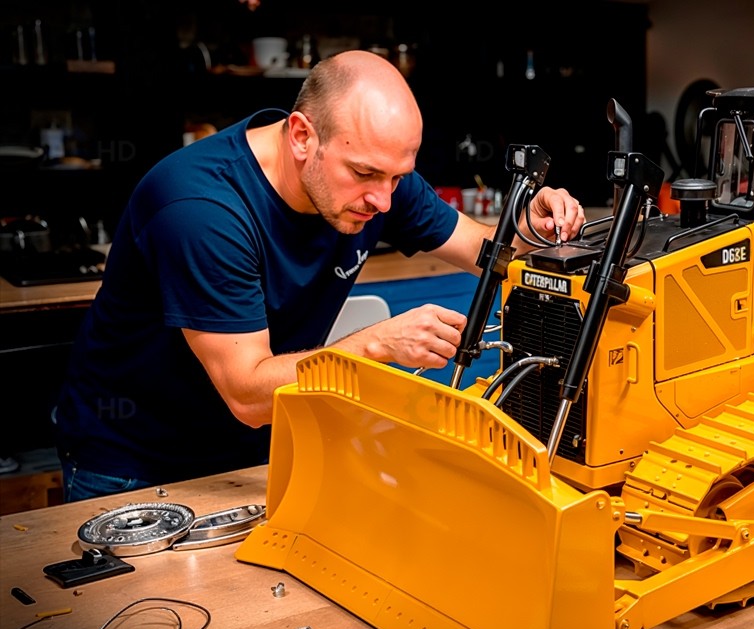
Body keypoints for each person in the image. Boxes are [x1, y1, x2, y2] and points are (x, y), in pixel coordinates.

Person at [54, 50, 587, 501]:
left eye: (397, 177)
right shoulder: (200, 208)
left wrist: (532, 227)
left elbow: (484, 250)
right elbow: (247, 393)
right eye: (365, 175)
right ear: (302, 136)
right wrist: (377, 345)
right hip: (135, 464)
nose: (382, 200)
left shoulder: (373, 177)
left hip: (256, 448)